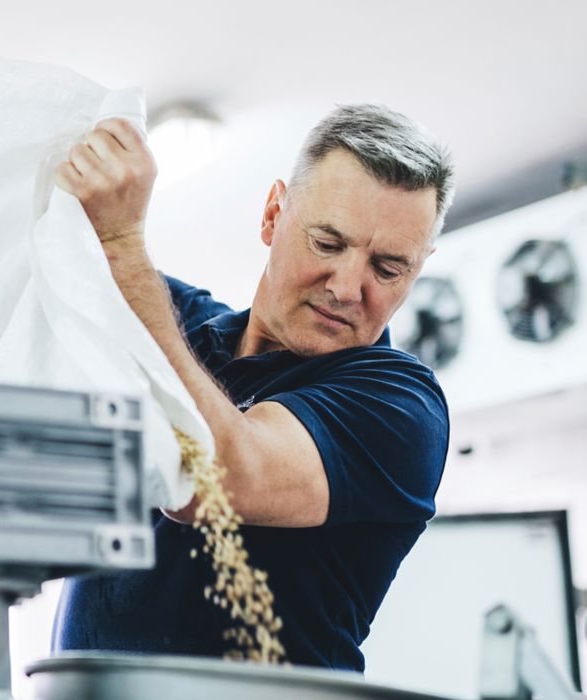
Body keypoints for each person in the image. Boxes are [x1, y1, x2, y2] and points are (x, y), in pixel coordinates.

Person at [52, 104, 455, 670]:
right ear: (273, 215)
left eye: (387, 269)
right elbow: (38, 262)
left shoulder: (399, 407)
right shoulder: (183, 328)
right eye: (328, 242)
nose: (346, 287)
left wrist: (121, 242)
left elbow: (211, 478)